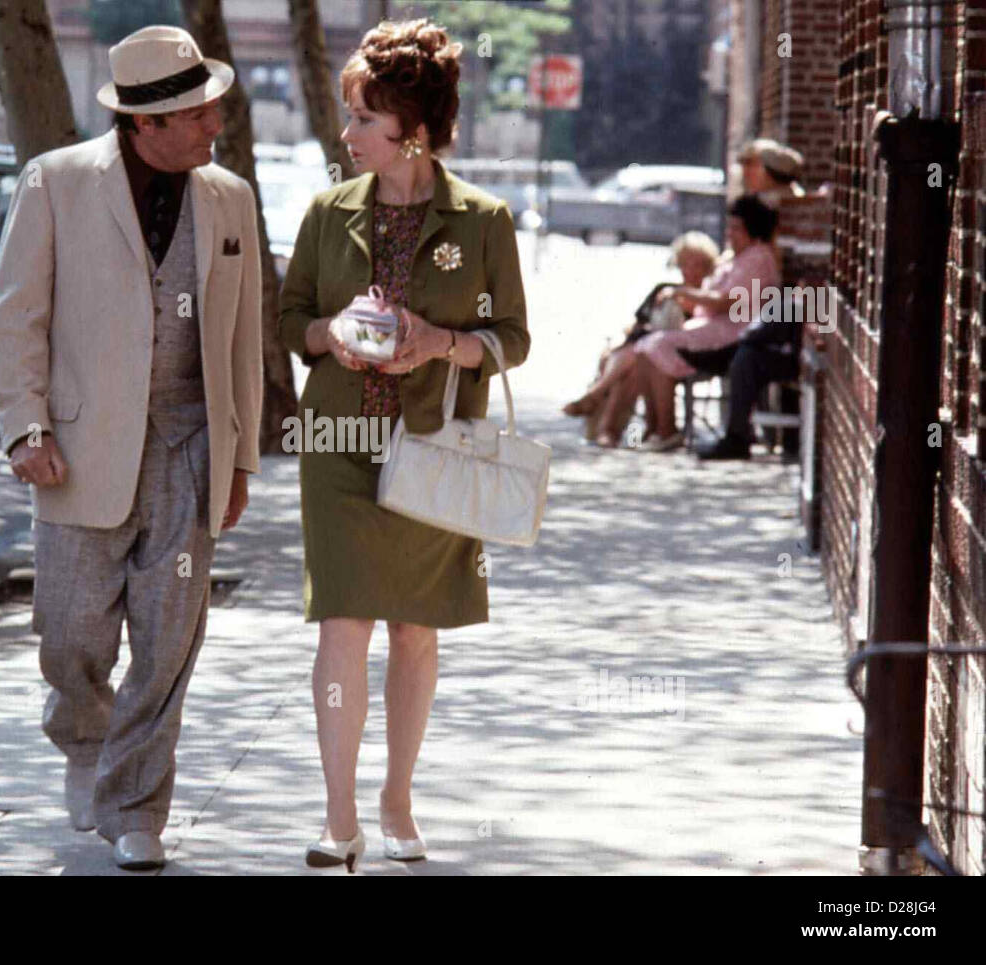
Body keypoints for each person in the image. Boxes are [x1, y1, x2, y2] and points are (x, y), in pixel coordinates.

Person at [0, 24, 263, 872]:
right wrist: (25, 427)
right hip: (75, 446)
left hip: (190, 444)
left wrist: (243, 456)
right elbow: (15, 316)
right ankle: (82, 735)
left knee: (169, 639)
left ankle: (137, 804)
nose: (215, 125)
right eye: (196, 115)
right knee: (70, 636)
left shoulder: (231, 199)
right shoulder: (57, 182)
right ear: (146, 123)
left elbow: (244, 337)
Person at [277, 18, 530, 871]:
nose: (345, 135)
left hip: (433, 448)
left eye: (362, 120)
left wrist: (441, 343)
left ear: (412, 131)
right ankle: (339, 815)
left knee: (414, 630)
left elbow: (514, 339)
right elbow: (288, 322)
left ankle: (398, 795)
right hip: (339, 442)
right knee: (340, 623)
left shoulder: (485, 220)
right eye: (350, 117)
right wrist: (329, 333)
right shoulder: (325, 212)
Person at [564, 194, 780, 452]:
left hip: (732, 336)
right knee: (646, 349)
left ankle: (653, 425)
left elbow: (726, 301)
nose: (730, 233)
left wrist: (682, 293)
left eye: (736, 228)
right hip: (711, 329)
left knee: (655, 345)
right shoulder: (737, 257)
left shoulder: (757, 259)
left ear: (753, 229)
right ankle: (658, 428)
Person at [567, 231, 719, 446]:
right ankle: (612, 427)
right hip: (643, 348)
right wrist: (618, 341)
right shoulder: (664, 290)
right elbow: (637, 323)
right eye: (685, 263)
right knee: (633, 360)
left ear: (707, 267)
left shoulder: (707, 298)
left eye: (697, 264)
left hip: (674, 357)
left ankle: (603, 411)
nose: (690, 270)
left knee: (637, 360)